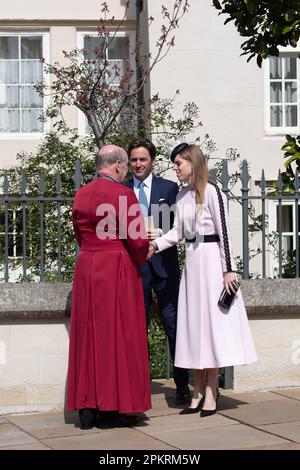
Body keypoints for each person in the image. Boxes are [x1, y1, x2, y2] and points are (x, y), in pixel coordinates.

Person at [148, 141, 257, 417]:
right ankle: (196, 390)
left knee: (211, 328)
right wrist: (155, 245)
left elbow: (225, 233)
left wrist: (228, 270)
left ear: (192, 163)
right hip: (193, 266)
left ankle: (211, 390)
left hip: (212, 264)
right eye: (174, 163)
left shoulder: (212, 192)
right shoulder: (182, 197)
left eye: (179, 163)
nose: (175, 168)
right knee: (193, 327)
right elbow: (176, 232)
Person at [66, 144, 151, 429]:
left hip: (88, 267)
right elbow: (137, 242)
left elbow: (80, 235)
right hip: (117, 268)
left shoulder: (81, 194)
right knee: (119, 336)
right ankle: (116, 409)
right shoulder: (124, 194)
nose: (127, 171)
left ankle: (87, 408)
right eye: (126, 166)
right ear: (116, 165)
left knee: (88, 338)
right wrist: (146, 251)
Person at [124, 137, 190, 404]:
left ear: (152, 161)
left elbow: (182, 227)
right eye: (134, 160)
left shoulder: (170, 188)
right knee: (136, 329)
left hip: (165, 268)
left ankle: (182, 385)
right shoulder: (122, 189)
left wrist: (160, 234)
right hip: (135, 270)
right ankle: (138, 387)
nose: (138, 164)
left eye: (143, 159)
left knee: (174, 327)